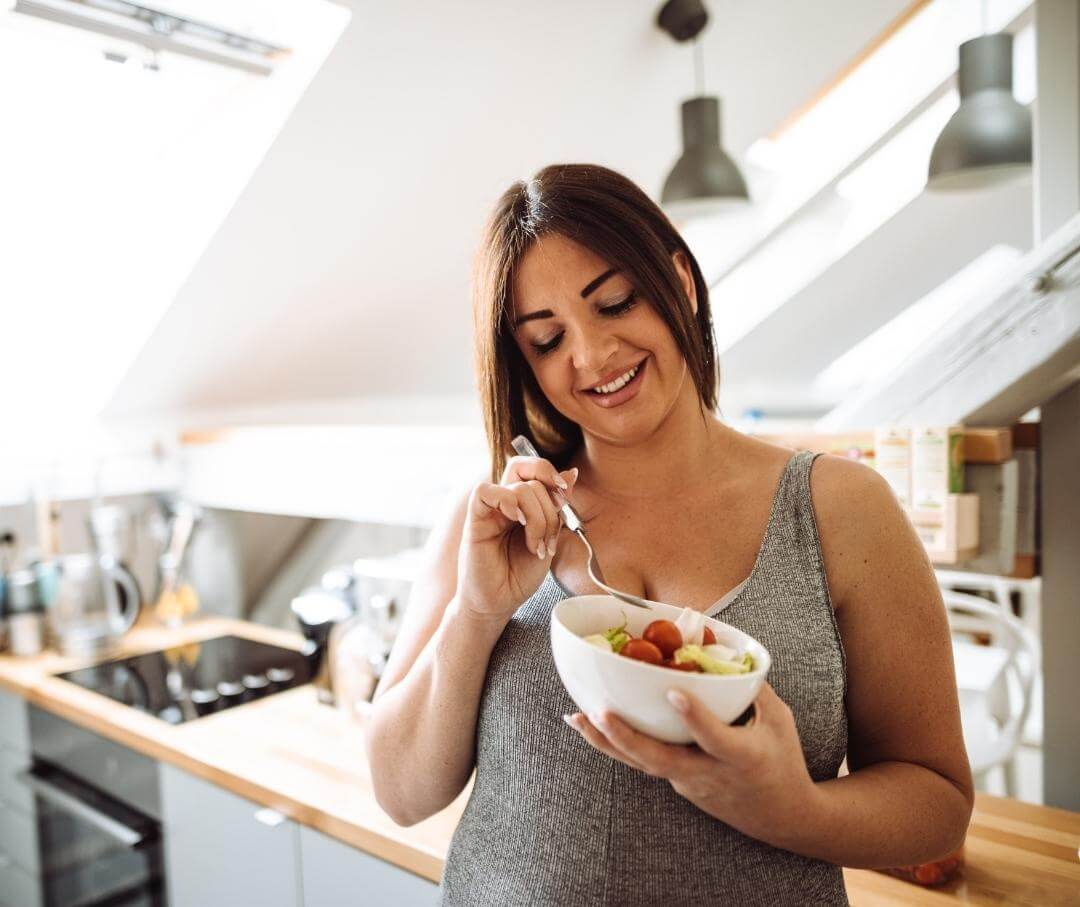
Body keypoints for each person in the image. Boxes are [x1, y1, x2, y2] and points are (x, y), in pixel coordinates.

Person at [364, 163, 973, 906]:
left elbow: (938, 804)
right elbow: (399, 792)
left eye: (615, 302)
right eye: (548, 340)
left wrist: (793, 811)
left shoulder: (840, 509)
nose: (591, 357)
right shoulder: (493, 522)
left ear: (679, 282)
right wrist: (477, 612)